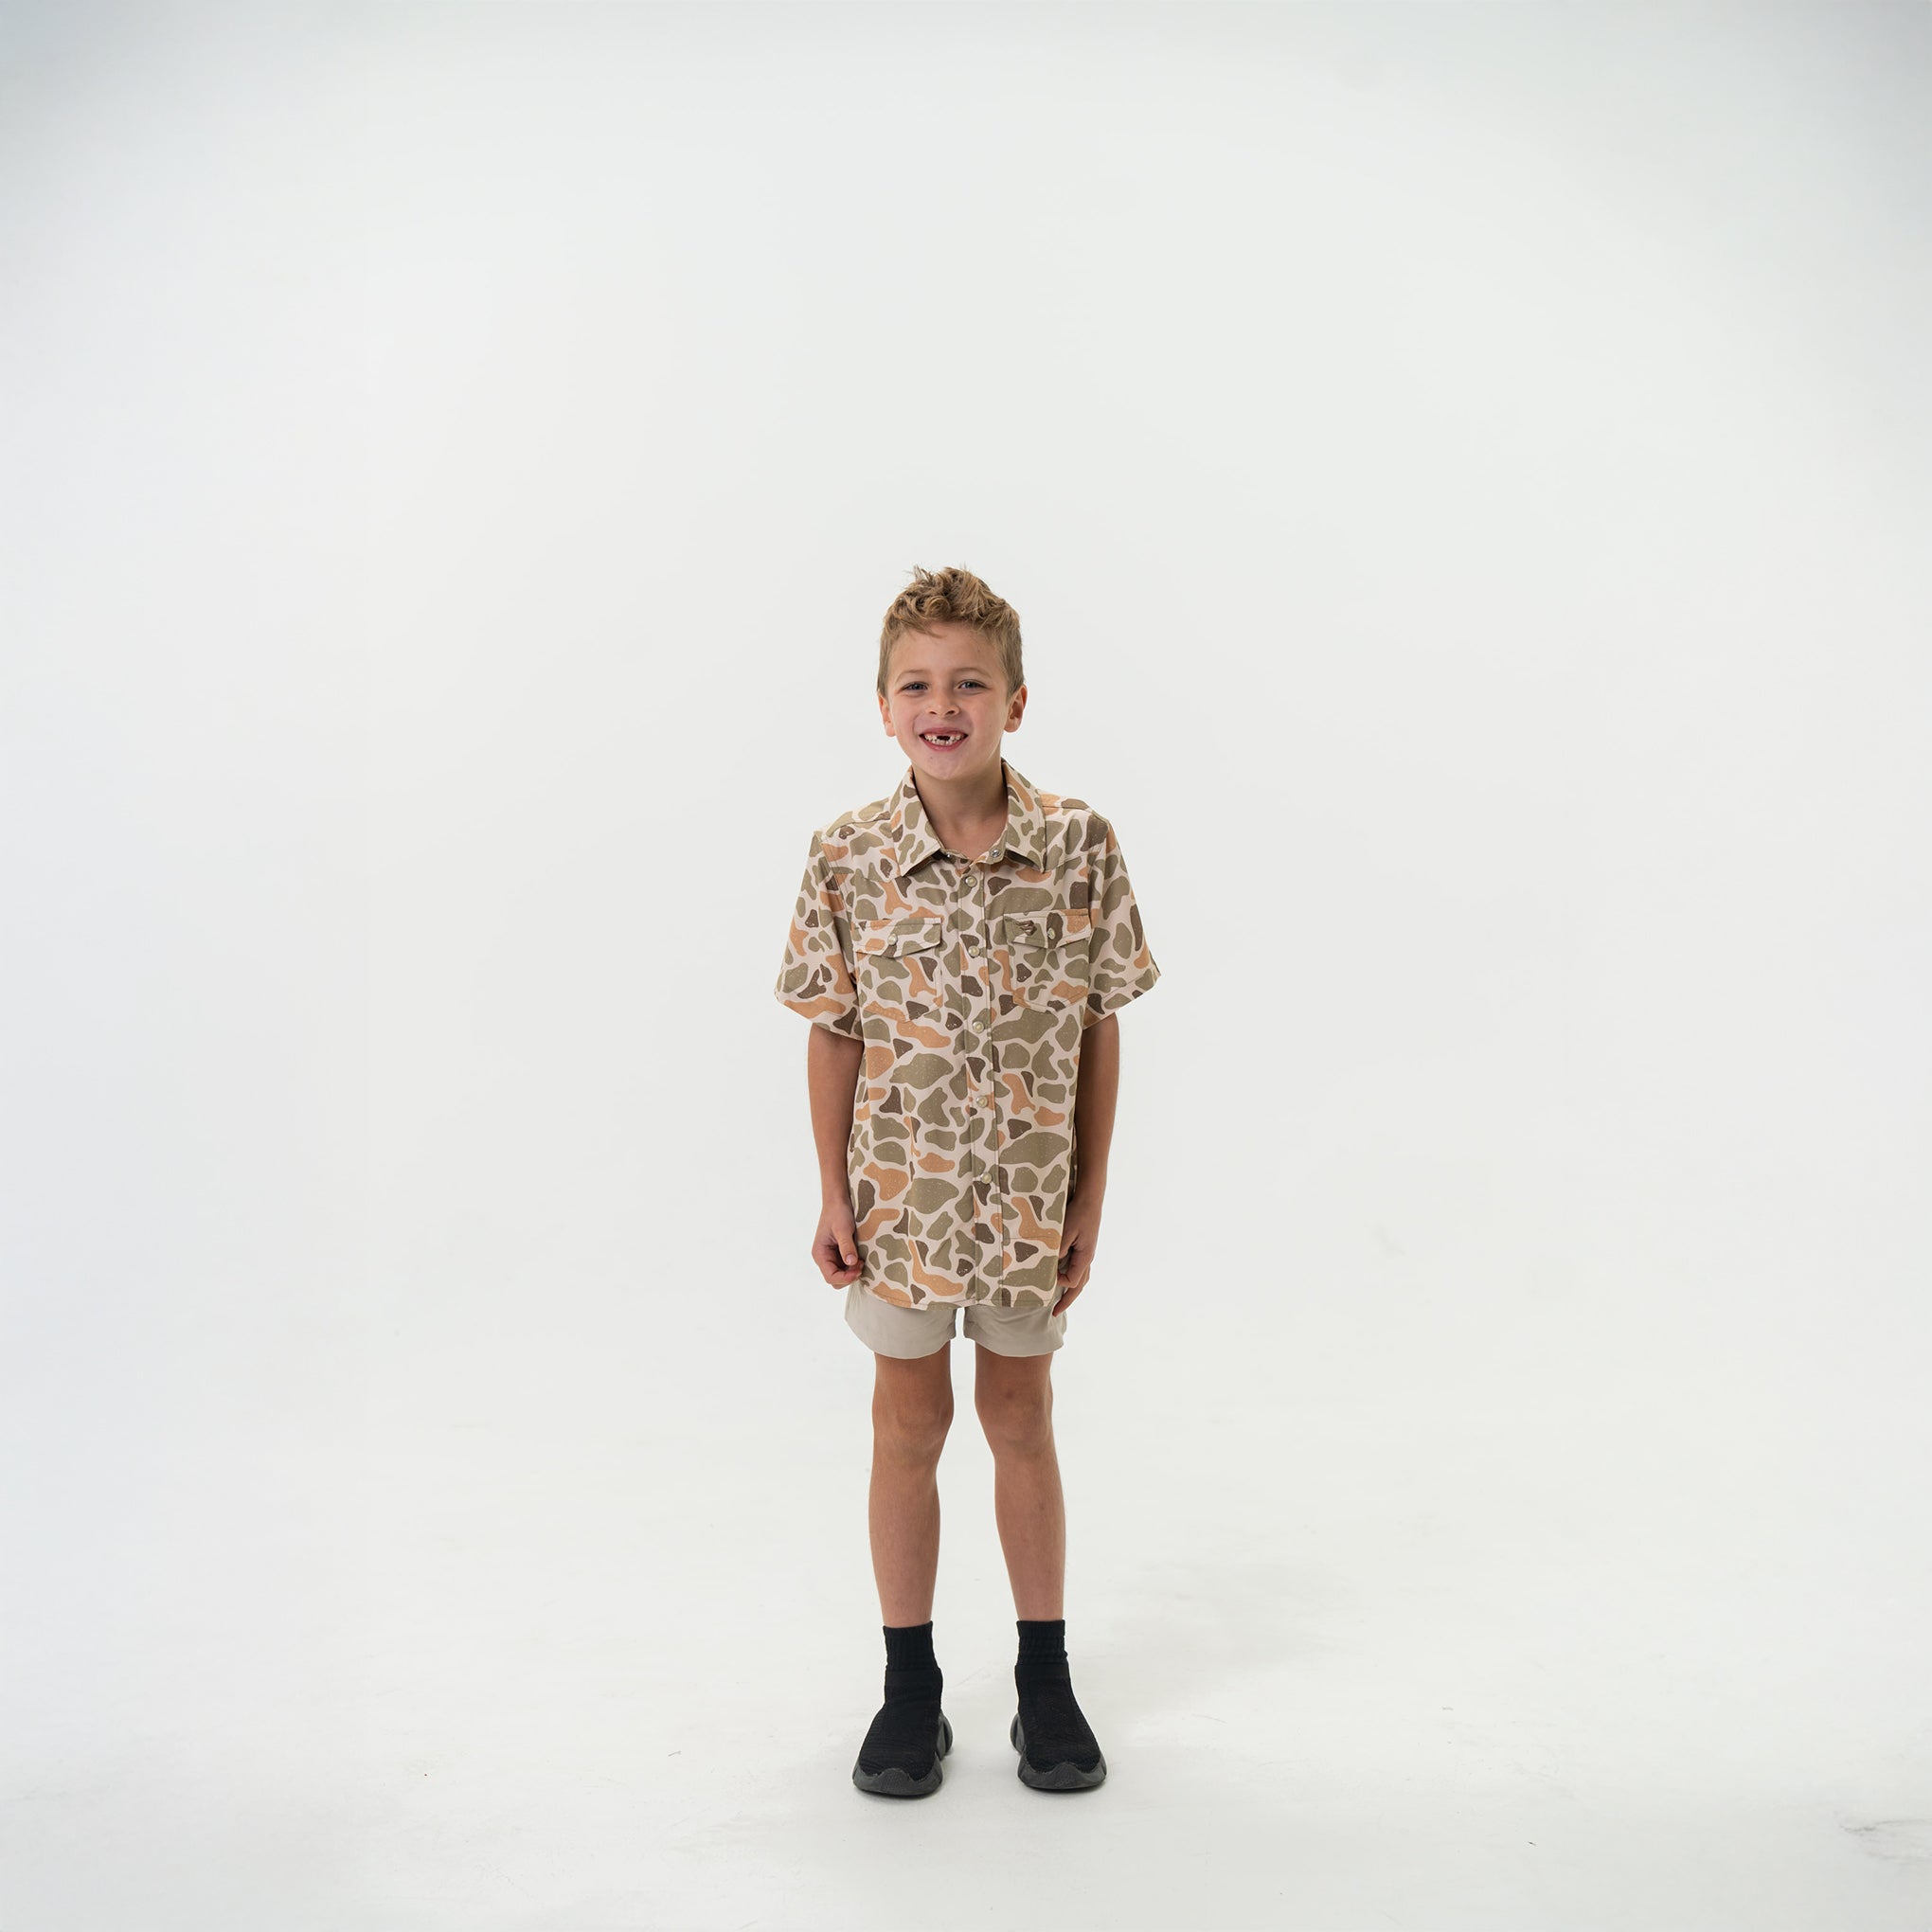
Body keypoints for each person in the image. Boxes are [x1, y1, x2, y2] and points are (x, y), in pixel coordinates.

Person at [773, 564, 1162, 1797]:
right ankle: (910, 1688)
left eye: (970, 684)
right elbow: (834, 1031)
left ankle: (1045, 1681)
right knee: (909, 1427)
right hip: (901, 1208)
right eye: (918, 686)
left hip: (1027, 1206)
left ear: (1017, 701)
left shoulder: (1076, 846)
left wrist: (1089, 1198)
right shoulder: (849, 856)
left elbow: (1099, 1024)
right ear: (885, 707)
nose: (944, 706)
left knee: (1020, 1421)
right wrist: (833, 1195)